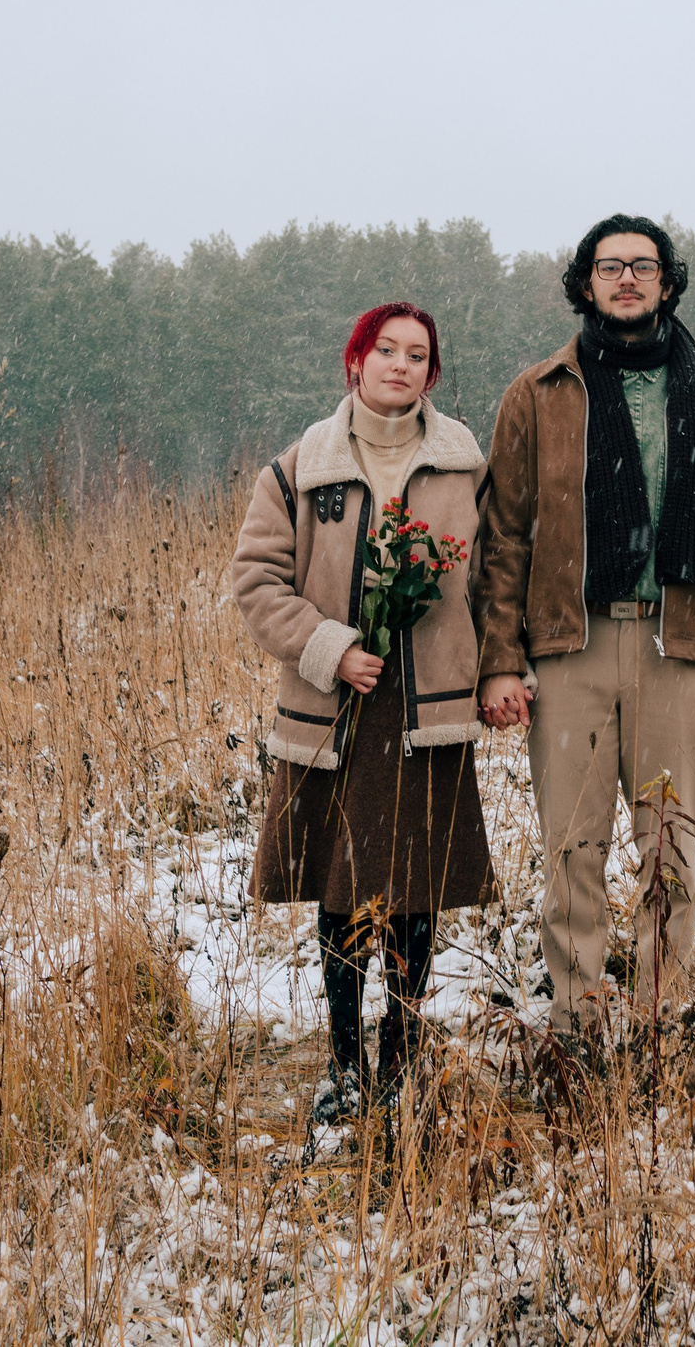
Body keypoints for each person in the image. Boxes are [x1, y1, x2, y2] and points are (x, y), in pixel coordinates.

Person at [475, 216, 695, 1041]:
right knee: (571, 847)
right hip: (568, 649)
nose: (628, 279)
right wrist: (500, 660)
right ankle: (574, 1024)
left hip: (676, 650)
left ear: (668, 283)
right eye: (611, 267)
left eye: (643, 266)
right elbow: (503, 539)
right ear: (586, 283)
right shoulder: (538, 394)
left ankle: (657, 1021)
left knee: (668, 846)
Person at [230, 302, 496, 1126]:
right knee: (342, 893)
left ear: (432, 373)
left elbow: (496, 583)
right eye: (387, 350)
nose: (401, 365)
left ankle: (402, 1065)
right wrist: (331, 647)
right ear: (356, 361)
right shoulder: (299, 468)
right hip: (335, 718)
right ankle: (346, 1070)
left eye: (418, 355)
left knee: (415, 894)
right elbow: (257, 581)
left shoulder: (463, 467)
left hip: (429, 714)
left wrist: (501, 669)